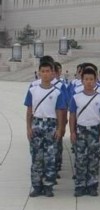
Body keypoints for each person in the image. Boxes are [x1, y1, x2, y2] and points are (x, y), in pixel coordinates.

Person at [24, 61, 67, 197]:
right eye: (43, 71)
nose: (45, 74)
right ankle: (37, 185)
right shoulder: (33, 90)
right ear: (38, 73)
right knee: (36, 157)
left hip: (51, 125)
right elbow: (29, 111)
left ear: (53, 73)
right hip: (37, 124)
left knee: (50, 157)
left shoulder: (57, 92)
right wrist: (28, 128)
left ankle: (48, 185)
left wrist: (60, 129)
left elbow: (60, 112)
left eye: (48, 71)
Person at [68, 67, 100, 197]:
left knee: (94, 159)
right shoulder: (76, 97)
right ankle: (80, 185)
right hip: (81, 130)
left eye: (91, 79)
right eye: (86, 79)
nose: (89, 82)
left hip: (95, 131)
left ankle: (92, 185)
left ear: (96, 80)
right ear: (82, 80)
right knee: (80, 159)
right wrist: (72, 132)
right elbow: (72, 116)